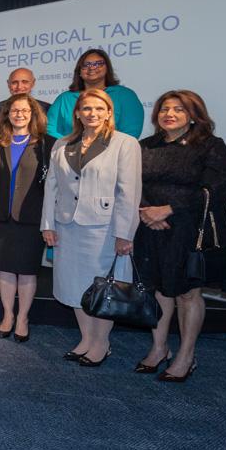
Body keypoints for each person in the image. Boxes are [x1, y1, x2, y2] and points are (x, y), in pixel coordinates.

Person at [133, 90, 226, 382]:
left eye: (178, 109)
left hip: (191, 230)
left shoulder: (210, 146)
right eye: (165, 108)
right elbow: (130, 184)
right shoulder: (146, 146)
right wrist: (146, 212)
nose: (170, 114)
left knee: (187, 294)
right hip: (151, 228)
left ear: (193, 114)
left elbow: (217, 191)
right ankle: (159, 348)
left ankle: (186, 355)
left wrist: (167, 209)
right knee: (158, 289)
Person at [42, 88, 142, 366]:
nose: (92, 114)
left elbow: (129, 192)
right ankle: (86, 338)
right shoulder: (62, 143)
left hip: (104, 229)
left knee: (102, 288)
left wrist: (125, 233)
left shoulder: (125, 143)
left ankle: (101, 343)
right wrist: (48, 224)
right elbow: (51, 187)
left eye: (99, 109)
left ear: (109, 112)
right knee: (74, 286)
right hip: (67, 227)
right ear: (77, 112)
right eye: (87, 108)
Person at [0, 95, 55, 342]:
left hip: (32, 217)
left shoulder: (46, 145)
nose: (19, 114)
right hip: (1, 215)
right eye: (14, 110)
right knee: (4, 269)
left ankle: (23, 317)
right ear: (7, 114)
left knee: (26, 270)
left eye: (24, 110)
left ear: (33, 114)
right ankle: (7, 315)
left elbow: (52, 186)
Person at [47, 50, 144, 139]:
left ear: (107, 68)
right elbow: (50, 129)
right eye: (86, 64)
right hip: (69, 154)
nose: (92, 67)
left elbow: (131, 132)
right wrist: (70, 147)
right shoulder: (64, 99)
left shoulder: (125, 96)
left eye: (98, 63)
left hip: (112, 154)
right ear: (79, 71)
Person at [0, 68, 51, 132]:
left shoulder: (46, 108)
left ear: (33, 83)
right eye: (14, 82)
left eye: (25, 82)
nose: (19, 87)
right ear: (8, 84)